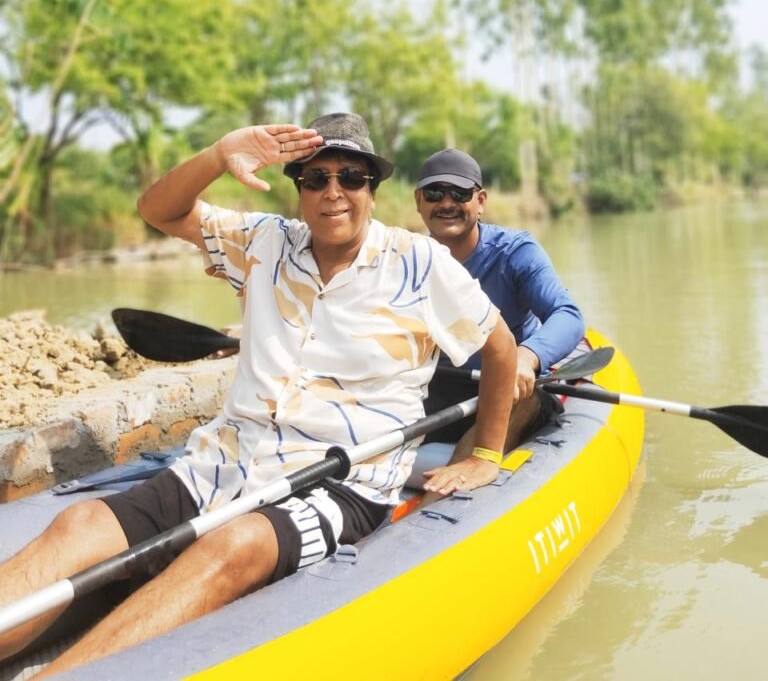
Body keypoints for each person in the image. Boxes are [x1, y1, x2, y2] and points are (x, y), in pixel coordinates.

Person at [0, 115, 517, 677]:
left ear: (372, 188)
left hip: (339, 481)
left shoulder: (418, 262)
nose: (333, 192)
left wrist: (485, 455)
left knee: (233, 546)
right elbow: (160, 211)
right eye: (315, 179)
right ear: (298, 189)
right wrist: (219, 154)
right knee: (79, 526)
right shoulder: (265, 241)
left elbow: (500, 348)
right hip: (223, 462)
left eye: (350, 177)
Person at [414, 147, 585, 459]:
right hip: (438, 386)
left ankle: (461, 483)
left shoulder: (516, 252)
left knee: (516, 400)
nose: (447, 203)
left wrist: (525, 357)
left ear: (480, 201)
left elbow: (568, 315)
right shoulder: (405, 258)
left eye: (460, 193)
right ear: (419, 202)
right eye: (435, 192)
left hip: (514, 387)